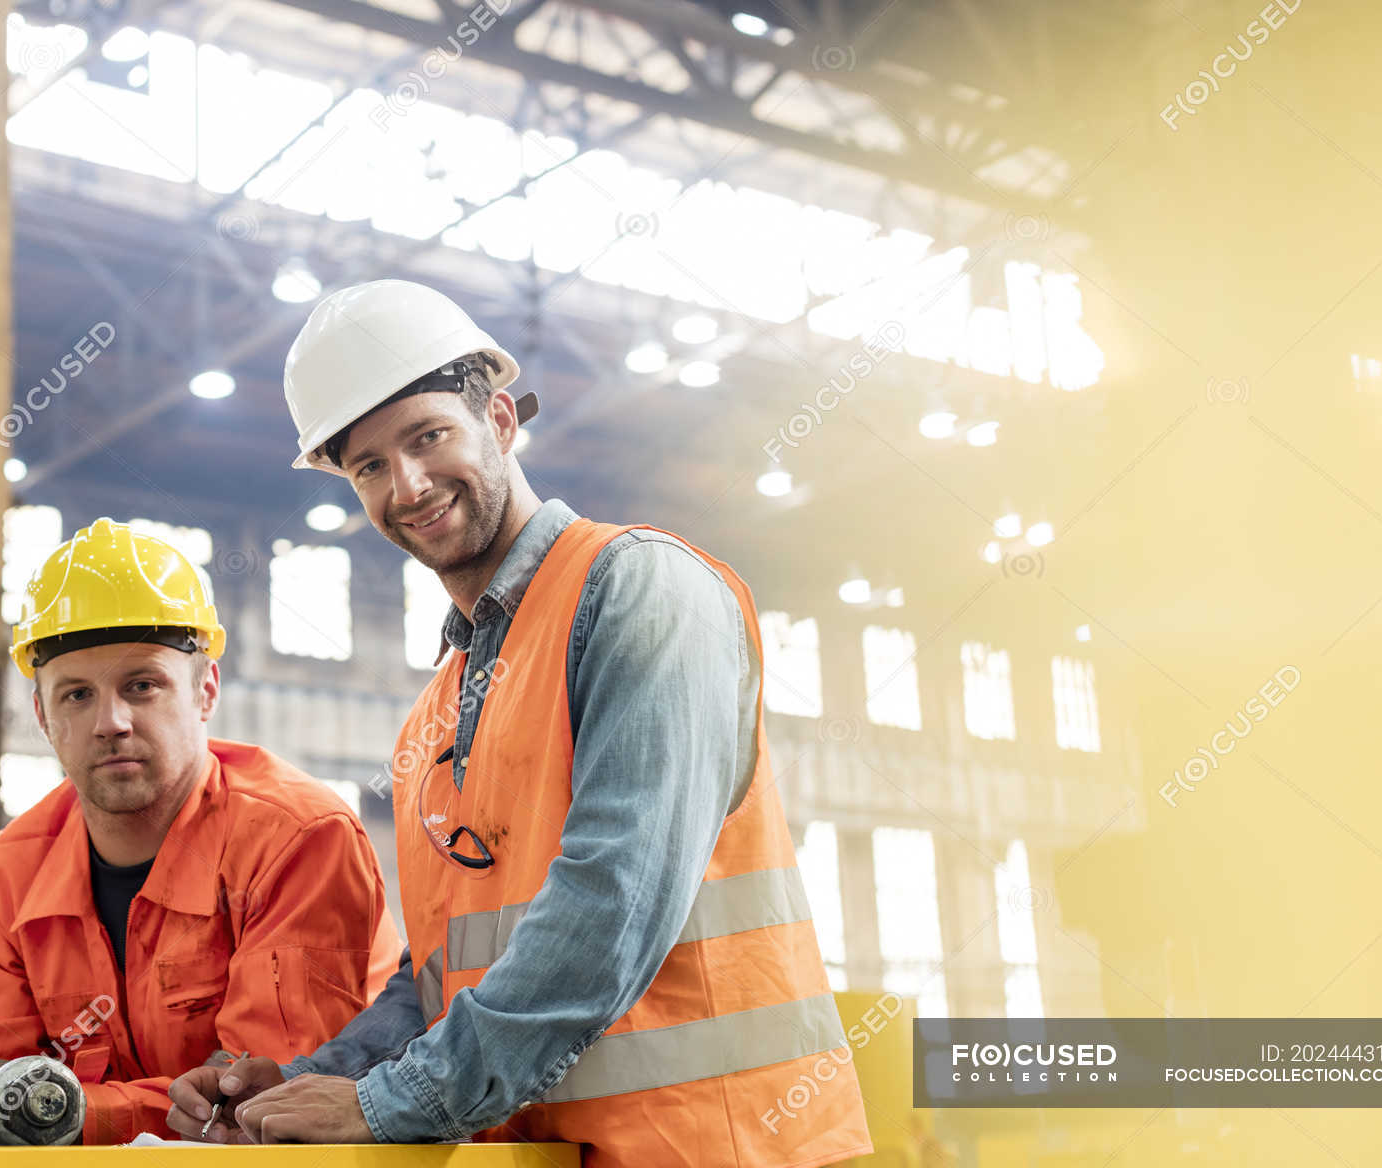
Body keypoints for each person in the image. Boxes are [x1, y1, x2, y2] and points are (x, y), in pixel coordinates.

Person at [166, 280, 872, 1165]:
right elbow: (438, 972)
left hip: (719, 1148)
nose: (408, 486)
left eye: (428, 437)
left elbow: (614, 900)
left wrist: (398, 1102)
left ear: (499, 418)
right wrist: (312, 1085)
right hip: (544, 1153)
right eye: (368, 467)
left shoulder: (642, 591)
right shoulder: (438, 708)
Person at [0, 517, 404, 1144]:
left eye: (142, 686)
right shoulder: (3, 875)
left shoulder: (297, 841)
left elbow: (260, 1106)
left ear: (206, 690)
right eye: (77, 695)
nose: (110, 721)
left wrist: (52, 1106)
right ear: (42, 715)